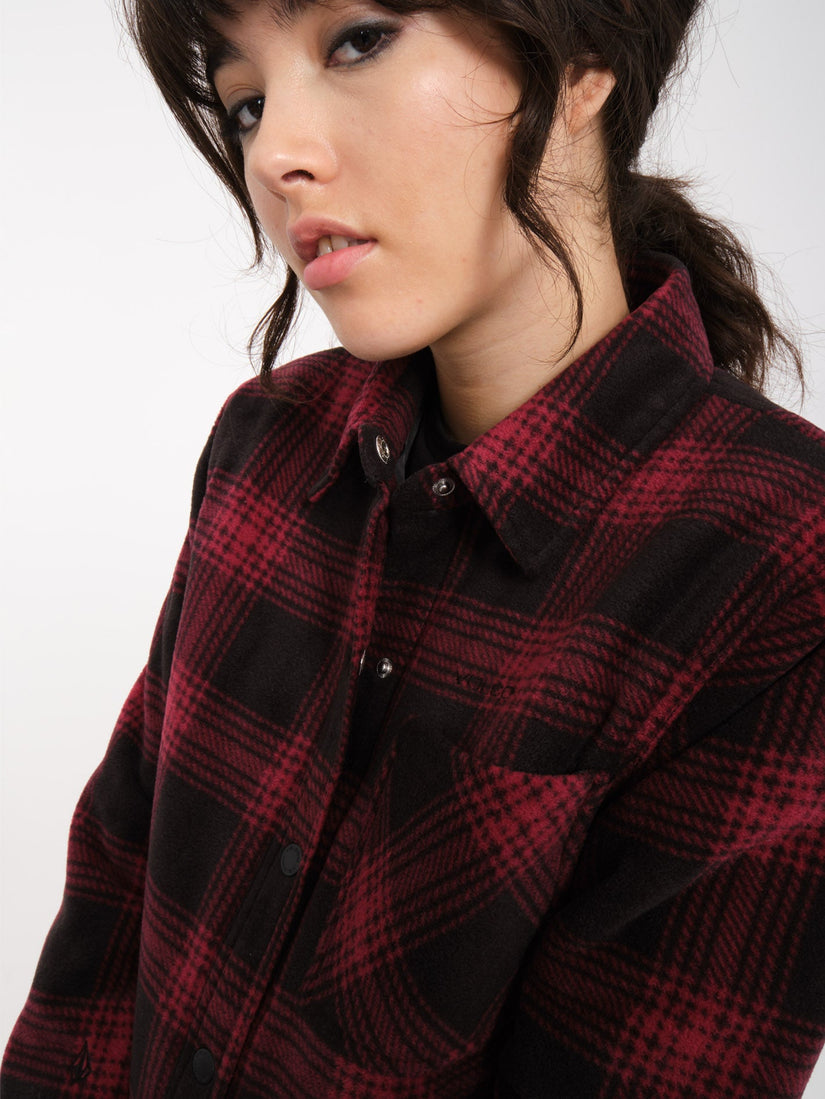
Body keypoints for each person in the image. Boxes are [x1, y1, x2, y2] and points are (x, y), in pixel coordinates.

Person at [3, 0, 824, 1094]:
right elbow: (115, 899)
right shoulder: (266, 443)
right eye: (245, 102)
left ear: (583, 56)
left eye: (358, 41)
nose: (277, 155)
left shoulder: (778, 565)